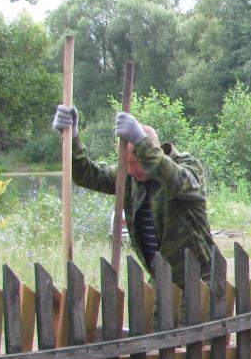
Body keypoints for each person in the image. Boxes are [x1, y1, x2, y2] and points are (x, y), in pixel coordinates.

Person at [53, 105, 214, 289]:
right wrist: (70, 137)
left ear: (152, 151)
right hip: (160, 285)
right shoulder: (130, 179)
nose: (131, 170)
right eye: (126, 163)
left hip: (199, 283)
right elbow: (89, 175)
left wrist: (140, 140)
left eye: (136, 163)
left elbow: (179, 182)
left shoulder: (187, 166)